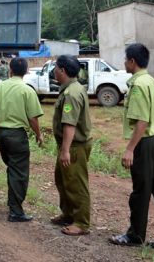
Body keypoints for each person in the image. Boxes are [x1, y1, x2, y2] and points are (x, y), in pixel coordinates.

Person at [109, 43, 154, 253]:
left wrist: (130, 148)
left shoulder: (139, 85)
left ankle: (134, 236)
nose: (124, 63)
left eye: (125, 59)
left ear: (132, 61)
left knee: (141, 191)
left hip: (146, 143)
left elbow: (142, 121)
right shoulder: (153, 82)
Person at [0, 58, 44, 222]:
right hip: (16, 135)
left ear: (10, 70)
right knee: (19, 172)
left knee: (12, 168)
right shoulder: (27, 90)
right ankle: (16, 211)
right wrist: (39, 134)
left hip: (1, 133)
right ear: (26, 71)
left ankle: (13, 203)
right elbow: (33, 118)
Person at [50, 55, 92, 236]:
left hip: (74, 146)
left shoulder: (72, 93)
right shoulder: (70, 88)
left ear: (63, 71)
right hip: (69, 146)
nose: (54, 71)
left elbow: (70, 124)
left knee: (76, 184)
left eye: (56, 68)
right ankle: (68, 214)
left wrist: (65, 150)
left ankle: (81, 222)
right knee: (62, 180)